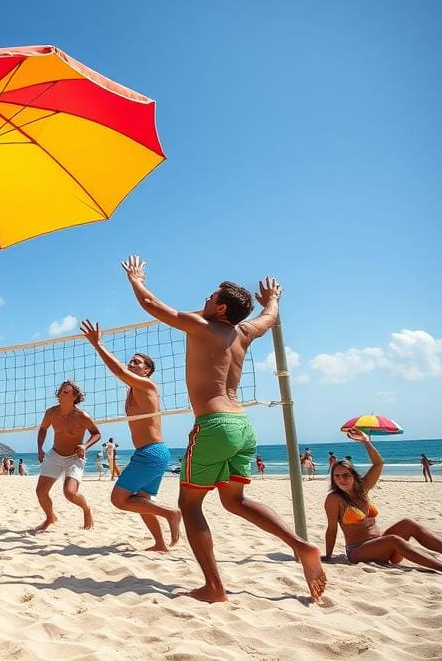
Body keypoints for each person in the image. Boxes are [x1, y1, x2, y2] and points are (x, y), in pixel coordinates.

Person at [123, 255, 325, 603]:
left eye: (211, 296)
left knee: (189, 505)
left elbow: (151, 304)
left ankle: (214, 588)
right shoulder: (243, 332)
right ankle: (301, 545)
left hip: (214, 424)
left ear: (219, 309)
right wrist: (272, 299)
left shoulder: (201, 326)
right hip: (242, 425)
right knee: (236, 501)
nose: (205, 297)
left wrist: (136, 278)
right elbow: (269, 318)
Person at [81, 321, 181, 552]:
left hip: (151, 452)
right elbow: (121, 373)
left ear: (147, 370)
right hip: (150, 451)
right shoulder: (133, 389)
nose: (132, 363)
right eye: (132, 360)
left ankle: (171, 513)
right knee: (141, 501)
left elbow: (118, 370)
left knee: (119, 499)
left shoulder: (147, 385)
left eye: (138, 362)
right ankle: (160, 544)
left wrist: (98, 344)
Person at [325, 428, 442, 573]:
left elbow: (378, 463)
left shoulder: (363, 488)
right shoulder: (334, 499)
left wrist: (366, 442)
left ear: (354, 475)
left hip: (383, 548)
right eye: (337, 476)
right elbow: (332, 529)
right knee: (393, 539)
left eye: (345, 475)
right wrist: (329, 556)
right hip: (358, 551)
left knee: (408, 523)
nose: (341, 479)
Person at [34, 380, 101, 532]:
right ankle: (50, 517)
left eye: (65, 391)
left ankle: (86, 509)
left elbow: (97, 434)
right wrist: (40, 449)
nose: (60, 393)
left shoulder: (82, 416)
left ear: (74, 396)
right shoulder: (51, 412)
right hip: (54, 455)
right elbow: (43, 429)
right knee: (40, 492)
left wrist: (85, 446)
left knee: (69, 493)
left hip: (74, 457)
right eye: (60, 391)